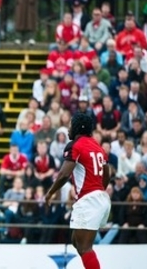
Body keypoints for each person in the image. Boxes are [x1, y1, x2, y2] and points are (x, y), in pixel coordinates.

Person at [45, 113, 111, 269]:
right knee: (76, 241)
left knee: (84, 247)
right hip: (101, 197)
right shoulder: (97, 146)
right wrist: (99, 191)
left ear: (77, 127)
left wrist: (50, 193)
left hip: (89, 199)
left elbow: (64, 174)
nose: (69, 128)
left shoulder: (75, 145)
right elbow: (107, 173)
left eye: (70, 125)